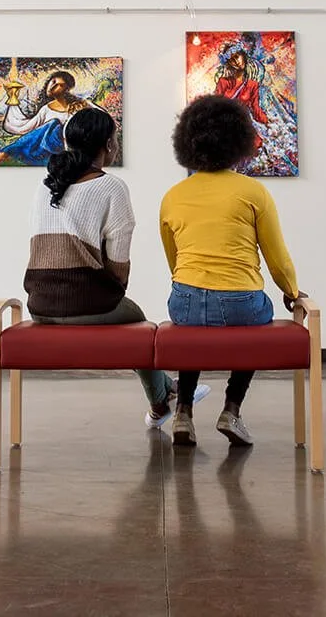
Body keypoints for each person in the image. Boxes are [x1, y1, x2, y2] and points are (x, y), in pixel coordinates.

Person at [23, 107, 205, 428]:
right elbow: (119, 260)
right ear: (108, 144)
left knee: (133, 318)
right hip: (84, 303)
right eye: (116, 138)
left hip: (38, 304)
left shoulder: (46, 184)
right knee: (135, 317)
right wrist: (112, 293)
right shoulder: (111, 187)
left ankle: (166, 394)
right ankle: (161, 399)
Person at [159, 95, 307, 448]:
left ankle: (182, 413)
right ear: (238, 140)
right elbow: (278, 259)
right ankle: (232, 410)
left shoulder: (173, 196)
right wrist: (292, 291)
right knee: (256, 323)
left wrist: (192, 288)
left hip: (185, 299)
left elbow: (174, 260)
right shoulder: (253, 192)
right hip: (241, 301)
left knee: (192, 329)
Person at [0, 70, 100, 166]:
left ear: (67, 88)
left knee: (54, 125)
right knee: (52, 125)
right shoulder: (46, 109)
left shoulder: (81, 104)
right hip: (44, 152)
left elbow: (101, 118)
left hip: (70, 150)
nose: (53, 86)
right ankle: (7, 153)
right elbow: (25, 128)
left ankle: (7, 153)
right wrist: (13, 100)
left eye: (59, 84)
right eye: (53, 81)